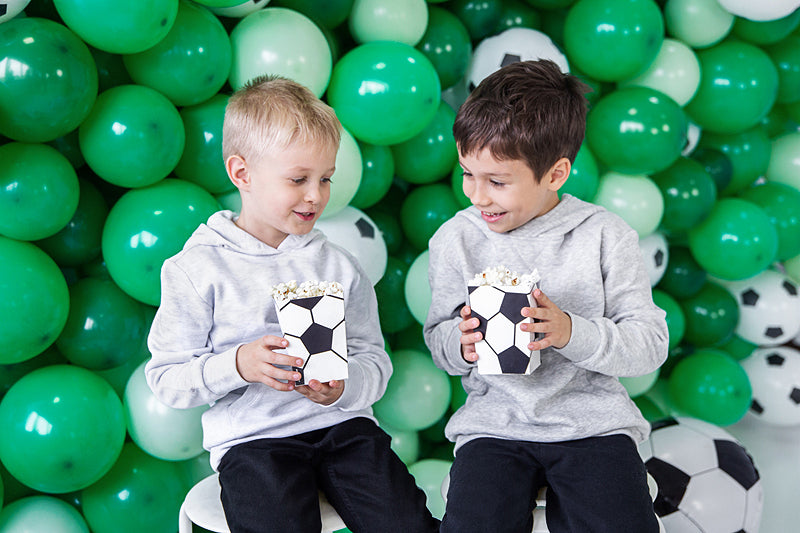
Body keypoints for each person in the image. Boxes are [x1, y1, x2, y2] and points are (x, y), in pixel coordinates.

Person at [146, 75, 439, 533]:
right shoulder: (197, 270)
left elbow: (374, 362)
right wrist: (238, 365)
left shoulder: (340, 266)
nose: (316, 195)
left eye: (325, 178)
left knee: (407, 524)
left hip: (346, 430)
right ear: (242, 174)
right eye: (298, 179)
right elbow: (167, 380)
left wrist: (343, 387)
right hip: (254, 442)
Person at [423, 59, 669, 533]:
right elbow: (439, 341)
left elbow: (650, 343)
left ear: (555, 174)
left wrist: (570, 331)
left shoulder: (605, 236)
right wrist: (461, 343)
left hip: (593, 426)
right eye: (467, 173)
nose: (477, 195)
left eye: (497, 181)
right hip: (493, 427)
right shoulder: (456, 239)